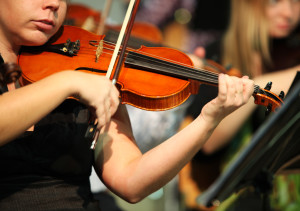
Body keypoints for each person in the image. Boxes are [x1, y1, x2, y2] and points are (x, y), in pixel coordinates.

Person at [0, 0, 254, 210]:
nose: (53, 4)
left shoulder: (84, 68)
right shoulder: (75, 79)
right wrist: (67, 82)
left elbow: (132, 181)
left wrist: (207, 120)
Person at [179, 0, 300, 210]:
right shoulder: (218, 55)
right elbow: (207, 144)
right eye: (274, 2)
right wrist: (260, 87)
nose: (288, 13)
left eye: (297, 3)